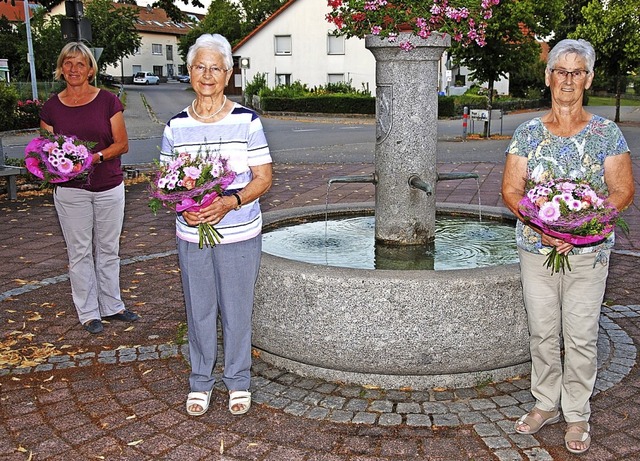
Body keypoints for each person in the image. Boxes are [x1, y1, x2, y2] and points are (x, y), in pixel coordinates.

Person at [501, 39, 635, 455]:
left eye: (577, 72)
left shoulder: (605, 134)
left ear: (589, 79)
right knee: (542, 331)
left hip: (588, 253)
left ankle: (576, 412)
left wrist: (579, 225)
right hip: (536, 248)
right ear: (548, 77)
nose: (568, 80)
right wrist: (538, 222)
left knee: (579, 335)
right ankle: (545, 403)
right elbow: (510, 189)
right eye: (561, 71)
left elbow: (622, 192)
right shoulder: (527, 133)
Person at [160, 34, 272, 417]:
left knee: (237, 309)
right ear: (189, 72)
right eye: (200, 67)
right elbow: (166, 179)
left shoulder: (247, 121)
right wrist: (182, 205)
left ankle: (238, 379)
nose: (207, 75)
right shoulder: (175, 126)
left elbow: (263, 177)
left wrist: (231, 202)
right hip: (192, 234)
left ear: (228, 74)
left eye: (216, 68)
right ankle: (201, 381)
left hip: (239, 232)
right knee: (199, 309)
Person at [40, 42, 139, 334]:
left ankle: (112, 306)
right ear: (61, 68)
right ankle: (88, 312)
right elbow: (46, 152)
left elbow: (122, 144)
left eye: (80, 64)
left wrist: (93, 158)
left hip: (108, 185)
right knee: (79, 252)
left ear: (91, 69)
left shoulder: (108, 101)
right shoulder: (51, 108)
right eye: (68, 63)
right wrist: (54, 166)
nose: (73, 69)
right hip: (71, 191)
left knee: (109, 248)